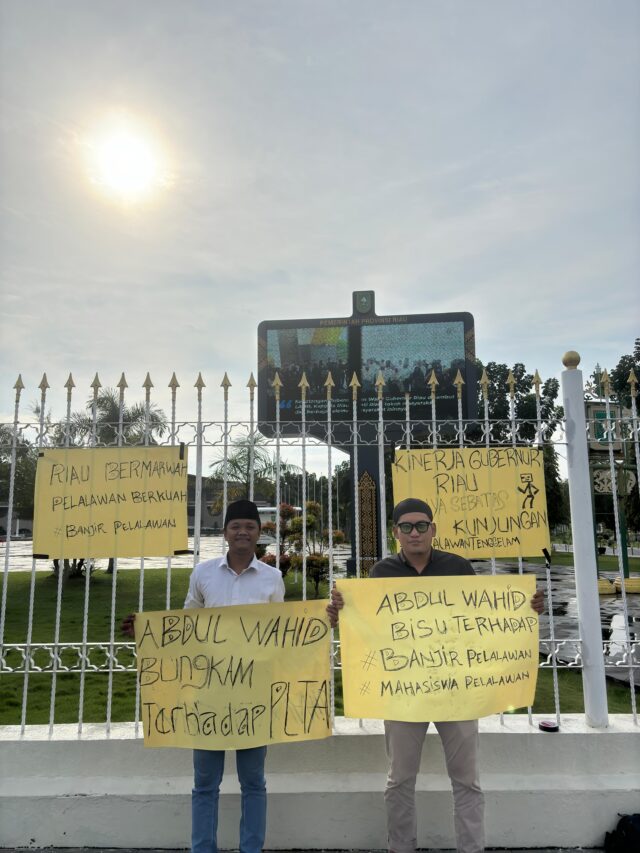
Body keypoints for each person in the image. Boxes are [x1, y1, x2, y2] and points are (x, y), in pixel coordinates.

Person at [326, 497, 544, 853]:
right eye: (407, 526)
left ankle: (471, 849)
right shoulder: (381, 573)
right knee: (399, 780)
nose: (415, 533)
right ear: (396, 532)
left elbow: (484, 618)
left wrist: (526, 607)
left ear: (433, 529)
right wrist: (341, 613)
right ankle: (401, 847)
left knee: (467, 781)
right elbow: (369, 626)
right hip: (403, 692)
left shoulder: (458, 567)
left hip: (457, 690)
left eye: (421, 525)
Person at [122, 498, 285, 853]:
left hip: (252, 690)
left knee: (253, 781)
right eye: (235, 526)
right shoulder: (203, 574)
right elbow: (187, 624)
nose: (242, 532)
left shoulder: (272, 578)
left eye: (250, 527)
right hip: (208, 689)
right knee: (205, 783)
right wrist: (147, 630)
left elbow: (281, 631)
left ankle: (251, 849)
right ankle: (202, 849)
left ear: (259, 532)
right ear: (225, 533)